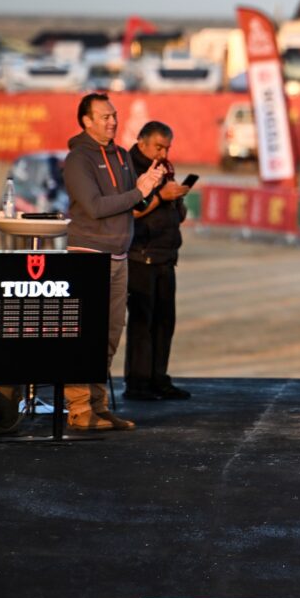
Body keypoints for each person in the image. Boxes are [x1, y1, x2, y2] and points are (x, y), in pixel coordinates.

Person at [63, 93, 166, 431]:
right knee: (85, 335)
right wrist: (138, 192)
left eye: (114, 115)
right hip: (89, 256)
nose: (112, 121)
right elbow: (94, 207)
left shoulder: (121, 155)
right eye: (105, 116)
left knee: (108, 336)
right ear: (86, 121)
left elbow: (132, 204)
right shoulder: (78, 159)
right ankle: (79, 409)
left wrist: (147, 187)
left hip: (119, 255)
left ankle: (98, 405)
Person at [124, 121, 193, 401]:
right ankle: (138, 383)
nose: (163, 153)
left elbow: (174, 213)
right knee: (142, 324)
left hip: (165, 255)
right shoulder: (129, 168)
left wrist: (177, 200)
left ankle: (158, 379)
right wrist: (161, 196)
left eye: (167, 148)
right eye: (158, 147)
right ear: (141, 142)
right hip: (140, 254)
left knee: (164, 323)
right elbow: (132, 210)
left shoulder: (165, 168)